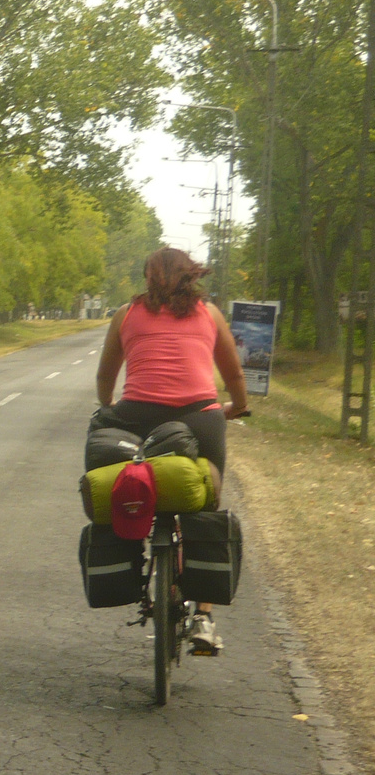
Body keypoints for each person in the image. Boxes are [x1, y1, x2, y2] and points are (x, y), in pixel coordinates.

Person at [95, 247, 247, 653]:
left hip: (137, 416)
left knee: (119, 479)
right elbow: (232, 373)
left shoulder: (126, 314)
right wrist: (238, 407)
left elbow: (106, 376)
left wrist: (111, 409)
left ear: (148, 277)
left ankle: (127, 552)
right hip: (201, 416)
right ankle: (204, 617)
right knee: (208, 504)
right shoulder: (209, 313)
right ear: (191, 277)